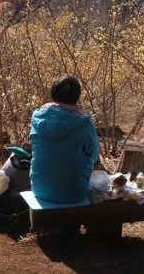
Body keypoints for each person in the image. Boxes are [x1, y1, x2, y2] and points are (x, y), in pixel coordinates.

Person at [28, 76, 100, 204]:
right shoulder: (84, 124)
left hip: (39, 190)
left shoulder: (38, 119)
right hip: (73, 192)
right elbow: (93, 156)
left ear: (53, 94)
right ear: (77, 97)